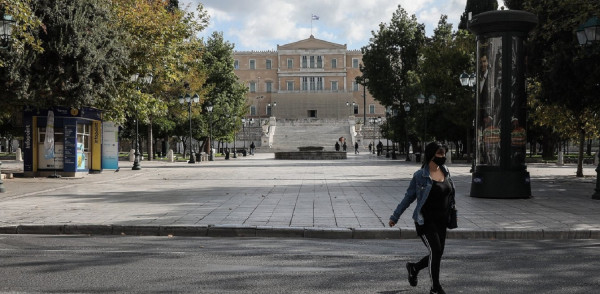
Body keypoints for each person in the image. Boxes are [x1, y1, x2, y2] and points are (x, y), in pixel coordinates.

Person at [389, 141, 456, 294]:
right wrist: (395, 216)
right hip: (425, 221)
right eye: (439, 153)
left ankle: (414, 267)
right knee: (436, 250)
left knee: (437, 253)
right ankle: (435, 288)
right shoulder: (420, 176)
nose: (443, 156)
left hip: (442, 221)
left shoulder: (445, 171)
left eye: (444, 153)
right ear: (431, 154)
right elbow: (408, 197)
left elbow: (450, 195)